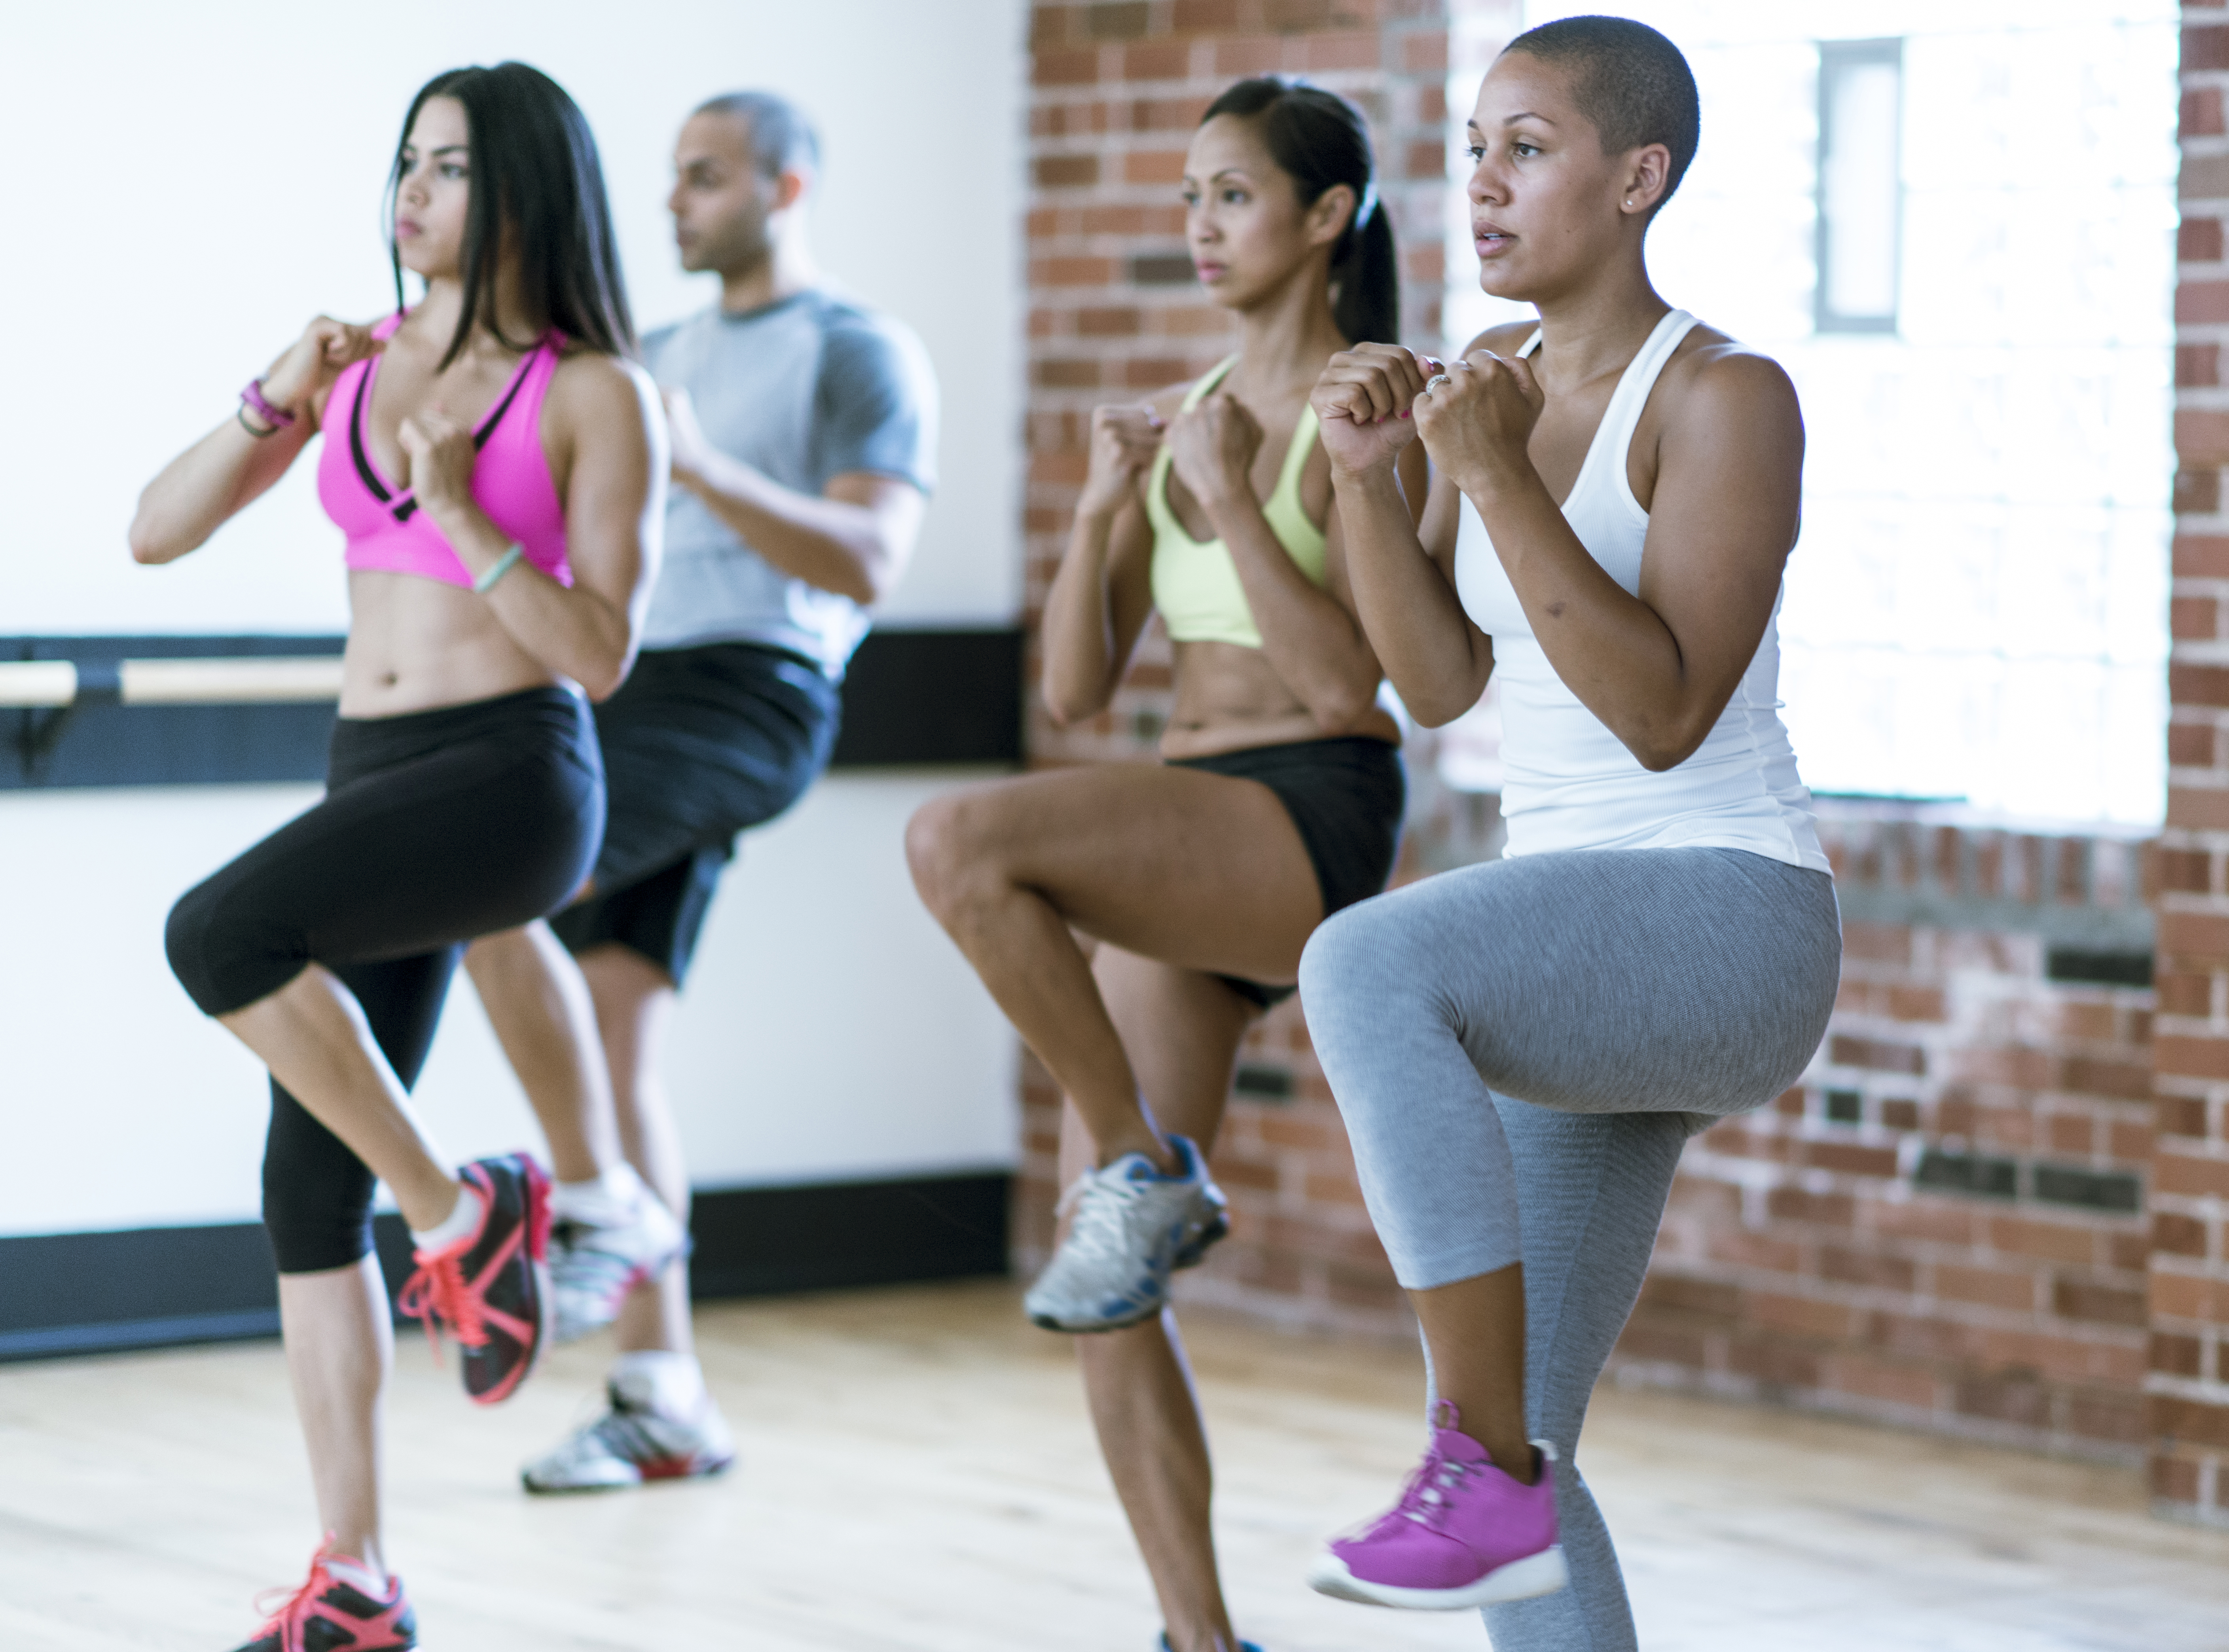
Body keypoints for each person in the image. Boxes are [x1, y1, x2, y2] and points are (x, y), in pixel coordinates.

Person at [1293, 18, 1840, 1649]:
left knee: (1363, 961)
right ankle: (1498, 1467)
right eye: (1471, 149)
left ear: (1634, 176)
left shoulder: (1726, 395)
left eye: (1524, 149)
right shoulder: (1494, 394)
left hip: (1729, 921)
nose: (1480, 184)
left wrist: (1495, 476)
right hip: (1580, 927)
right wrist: (1372, 482)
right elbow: (1443, 678)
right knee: (1543, 1446)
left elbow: (1663, 709)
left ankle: (1470, 1463)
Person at [132, 62, 665, 1652]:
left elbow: (601, 655)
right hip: (376, 775)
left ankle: (460, 1216)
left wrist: (468, 515)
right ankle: (355, 1579)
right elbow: (159, 531)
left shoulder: (592, 394)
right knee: (302, 1184)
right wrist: (273, 393)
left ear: (525, 192)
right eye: (403, 163)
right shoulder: (356, 366)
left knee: (213, 934)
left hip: (507, 778)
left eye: (449, 167)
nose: (412, 194)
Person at [907, 77, 1417, 1652]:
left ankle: (1143, 1170)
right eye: (1187, 198)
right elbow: (1073, 690)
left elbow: (1350, 690)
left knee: (954, 841)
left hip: (1306, 814)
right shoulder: (1189, 407)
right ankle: (1201, 1639)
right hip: (1183, 836)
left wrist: (1220, 506)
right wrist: (1101, 504)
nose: (1198, 228)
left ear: (1325, 217)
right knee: (1104, 1286)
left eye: (1232, 197)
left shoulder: (1363, 407)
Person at [459, 89, 938, 1495]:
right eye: (671, 178)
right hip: (622, 693)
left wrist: (701, 458)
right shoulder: (647, 350)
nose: (675, 203)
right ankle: (662, 1394)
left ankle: (594, 1215)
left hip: (749, 692)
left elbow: (870, 561)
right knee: (615, 1038)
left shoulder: (855, 350)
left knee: (493, 878)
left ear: (786, 190)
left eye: (708, 178)